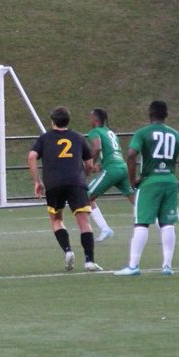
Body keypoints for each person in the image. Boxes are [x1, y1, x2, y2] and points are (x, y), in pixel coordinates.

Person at [114, 100, 179, 276]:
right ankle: (167, 266)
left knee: (141, 223)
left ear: (150, 114)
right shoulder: (175, 135)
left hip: (150, 181)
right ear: (166, 115)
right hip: (170, 182)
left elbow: (131, 155)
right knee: (167, 224)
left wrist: (132, 180)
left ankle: (133, 266)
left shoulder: (143, 133)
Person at [28, 106, 103, 272]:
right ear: (68, 121)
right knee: (84, 222)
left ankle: (68, 250)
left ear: (52, 121)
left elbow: (32, 156)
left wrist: (37, 181)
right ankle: (89, 261)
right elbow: (89, 164)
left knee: (56, 219)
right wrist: (85, 175)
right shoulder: (78, 137)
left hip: (53, 183)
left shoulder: (45, 138)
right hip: (76, 182)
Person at [84, 108, 135, 242]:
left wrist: (90, 165)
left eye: (91, 116)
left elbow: (97, 148)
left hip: (112, 170)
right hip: (122, 167)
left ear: (96, 119)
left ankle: (105, 229)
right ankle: (161, 224)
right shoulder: (110, 132)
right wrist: (100, 165)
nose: (89, 119)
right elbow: (113, 153)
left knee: (86, 196)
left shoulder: (95, 131)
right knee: (134, 199)